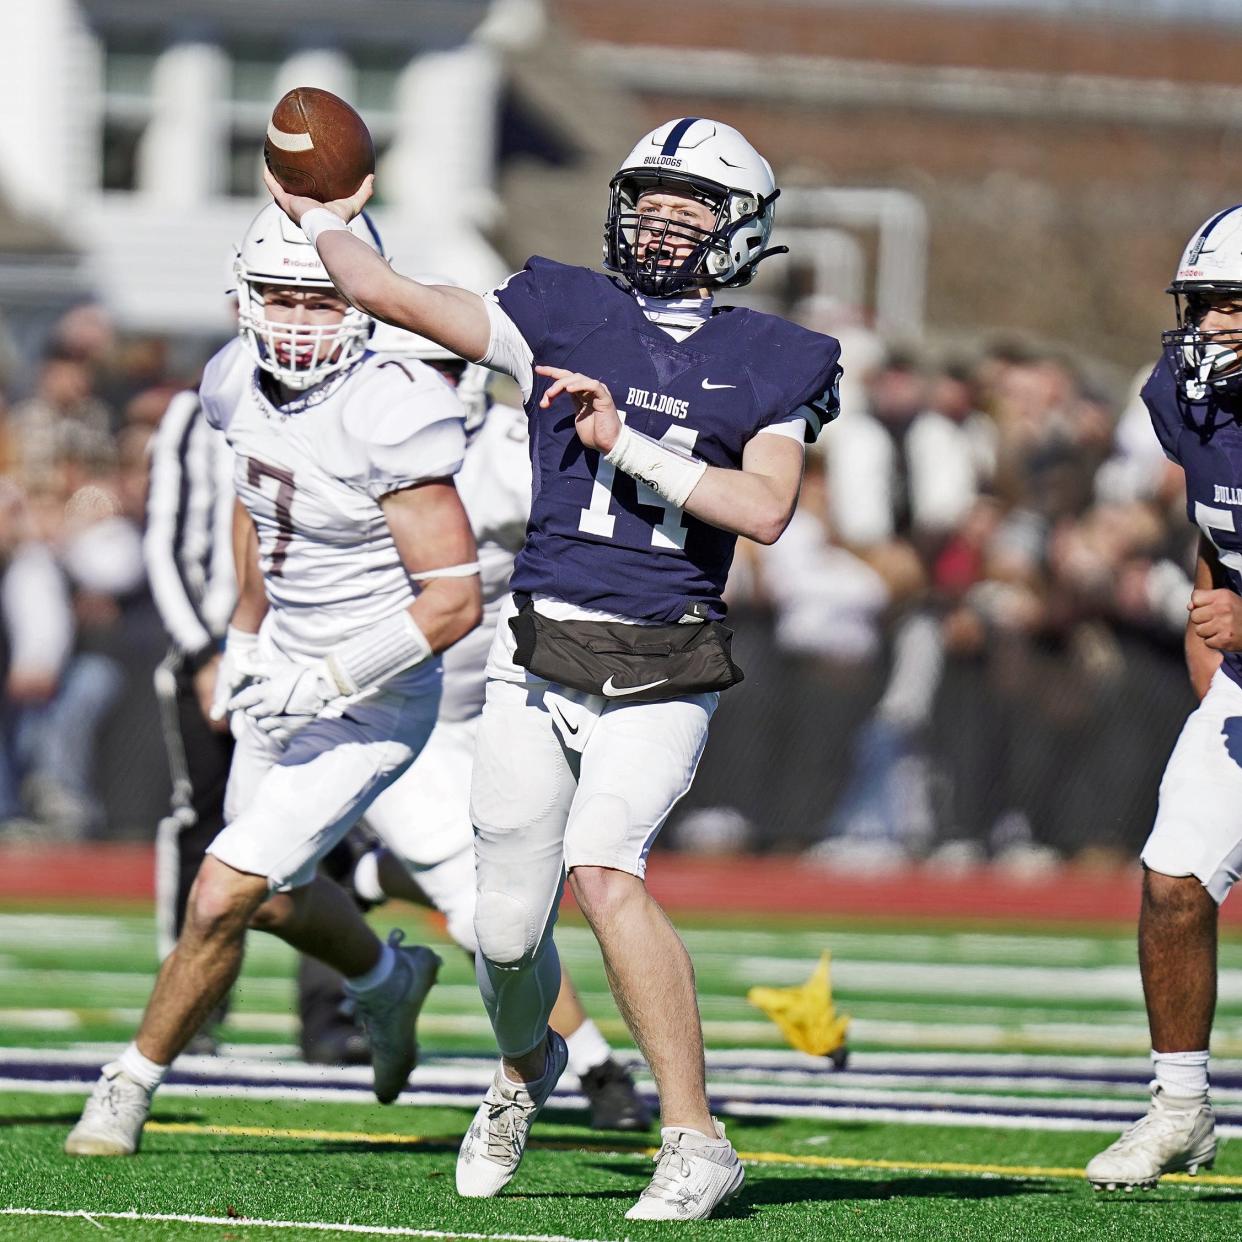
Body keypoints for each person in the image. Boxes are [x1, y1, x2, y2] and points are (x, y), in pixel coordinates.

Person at [266, 116, 842, 1220]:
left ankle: (696, 1137)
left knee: (605, 869)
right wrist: (330, 223)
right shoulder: (561, 308)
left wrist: (624, 439)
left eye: (693, 208)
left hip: (665, 655)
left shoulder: (777, 359)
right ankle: (528, 1068)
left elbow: (761, 509)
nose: (664, 224)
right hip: (539, 650)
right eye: (651, 201)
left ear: (743, 231)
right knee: (504, 927)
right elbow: (393, 295)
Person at [64, 202, 482, 1156]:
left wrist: (332, 673)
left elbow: (450, 604)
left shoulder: (393, 405)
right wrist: (246, 635)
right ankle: (385, 977)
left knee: (220, 890)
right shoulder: (228, 383)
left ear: (364, 307)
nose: (297, 322)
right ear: (242, 299)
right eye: (280, 298)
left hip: (375, 690)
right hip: (284, 660)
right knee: (277, 895)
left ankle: (127, 1087)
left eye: (320, 300)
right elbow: (260, 502)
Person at [359, 314, 652, 1131]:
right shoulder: (352, 436)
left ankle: (360, 882)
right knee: (480, 904)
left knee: (512, 891)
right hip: (377, 706)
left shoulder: (507, 449)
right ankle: (597, 1073)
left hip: (481, 698)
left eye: (447, 367)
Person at [144, 375, 370, 1064]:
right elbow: (167, 541)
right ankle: (195, 1003)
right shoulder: (199, 406)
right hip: (223, 647)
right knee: (206, 824)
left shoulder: (368, 398)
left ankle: (331, 1011)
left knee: (335, 829)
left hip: (322, 653)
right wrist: (202, 650)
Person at [1086, 205, 1242, 1190]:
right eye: (1204, 307)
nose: (1211, 329)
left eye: (1235, 308)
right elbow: (1217, 526)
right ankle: (1180, 1108)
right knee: (1173, 883)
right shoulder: (1185, 401)